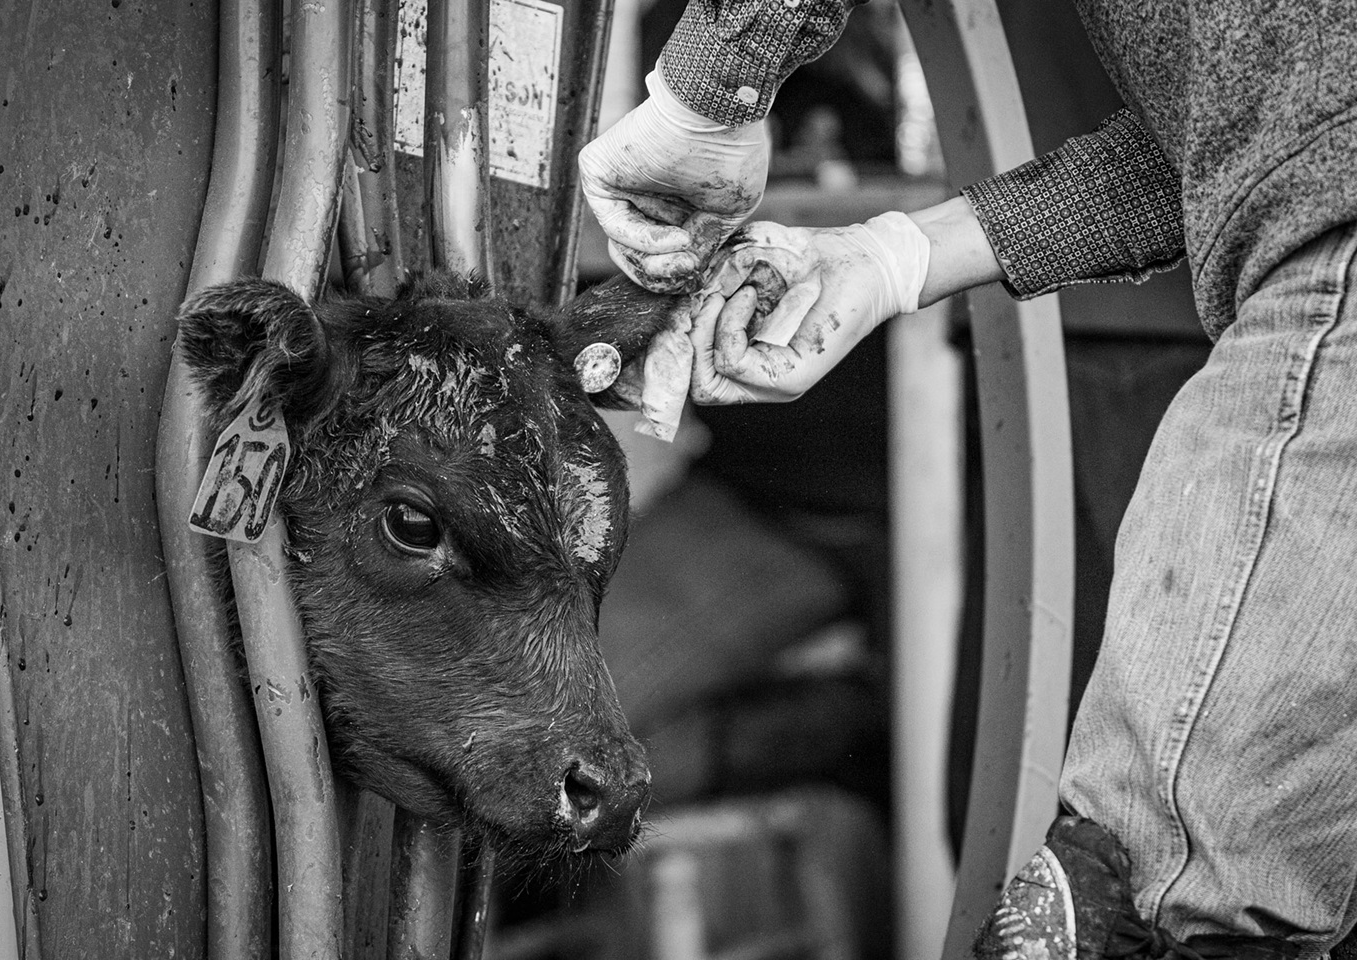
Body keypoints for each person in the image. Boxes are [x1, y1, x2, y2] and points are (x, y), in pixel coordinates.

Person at [579, 2, 1357, 959]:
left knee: (1146, 904)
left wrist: (704, 93)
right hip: (778, 501)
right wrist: (893, 257)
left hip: (1325, 293)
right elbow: (1237, 155)